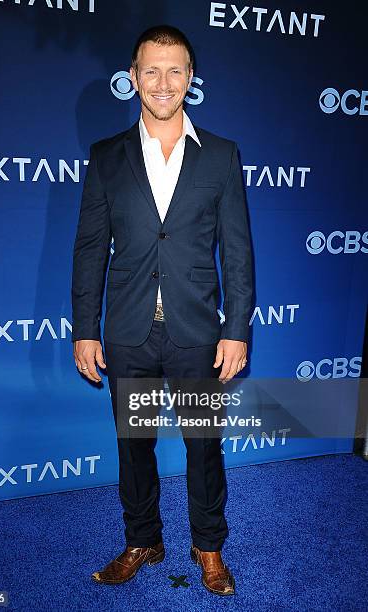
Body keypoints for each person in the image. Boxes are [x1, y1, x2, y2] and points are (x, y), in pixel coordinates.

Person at [71, 25, 253, 597]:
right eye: (151, 70)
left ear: (190, 79)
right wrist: (84, 330)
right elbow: (90, 248)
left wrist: (237, 328)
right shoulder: (106, 157)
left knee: (204, 446)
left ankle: (209, 549)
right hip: (128, 332)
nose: (163, 82)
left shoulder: (222, 155)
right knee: (134, 445)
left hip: (198, 330)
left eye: (175, 70)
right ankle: (143, 539)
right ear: (133, 78)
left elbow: (238, 251)